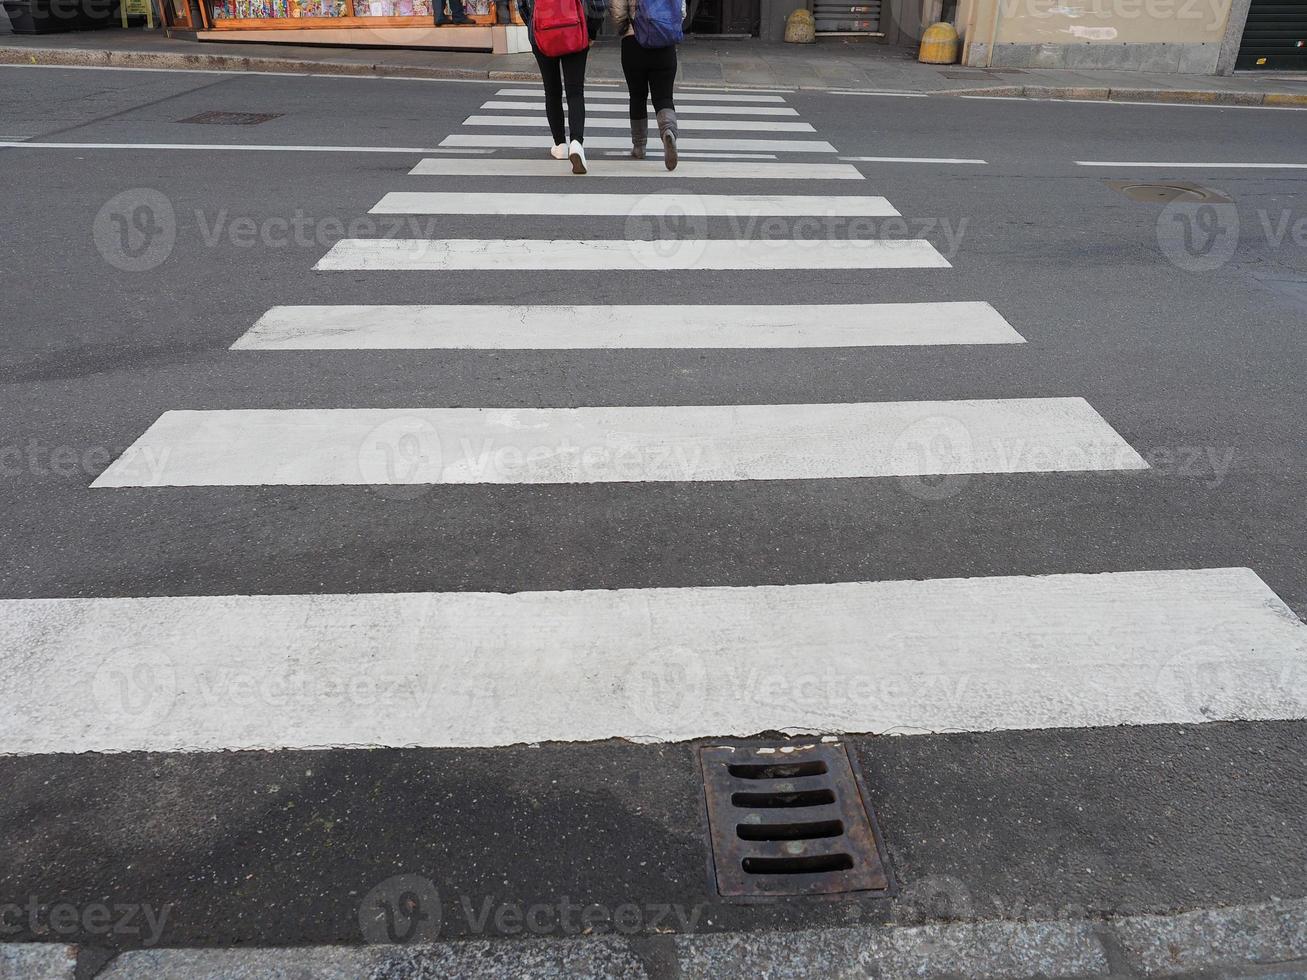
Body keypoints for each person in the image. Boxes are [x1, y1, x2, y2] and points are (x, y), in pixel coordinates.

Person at [516, 0, 607, 174]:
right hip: (575, 28)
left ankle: (560, 145)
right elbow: (598, 5)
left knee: (551, 91)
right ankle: (576, 143)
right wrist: (592, 31)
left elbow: (522, 6)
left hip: (542, 32)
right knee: (575, 92)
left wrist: (534, 24)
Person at [611, 0, 684, 170]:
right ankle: (668, 131)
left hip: (633, 41)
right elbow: (681, 10)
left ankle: (639, 147)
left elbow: (618, 10)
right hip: (664, 44)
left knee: (637, 96)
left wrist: (624, 28)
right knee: (664, 96)